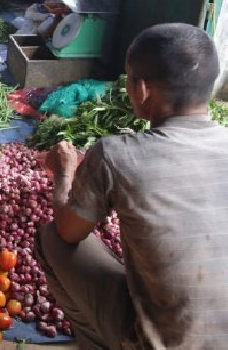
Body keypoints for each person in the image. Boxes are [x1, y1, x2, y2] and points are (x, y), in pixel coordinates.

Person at [38, 23, 228, 348]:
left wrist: (65, 173)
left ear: (142, 89)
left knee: (50, 240)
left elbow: (68, 231)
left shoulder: (116, 155)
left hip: (163, 342)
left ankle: (100, 342)